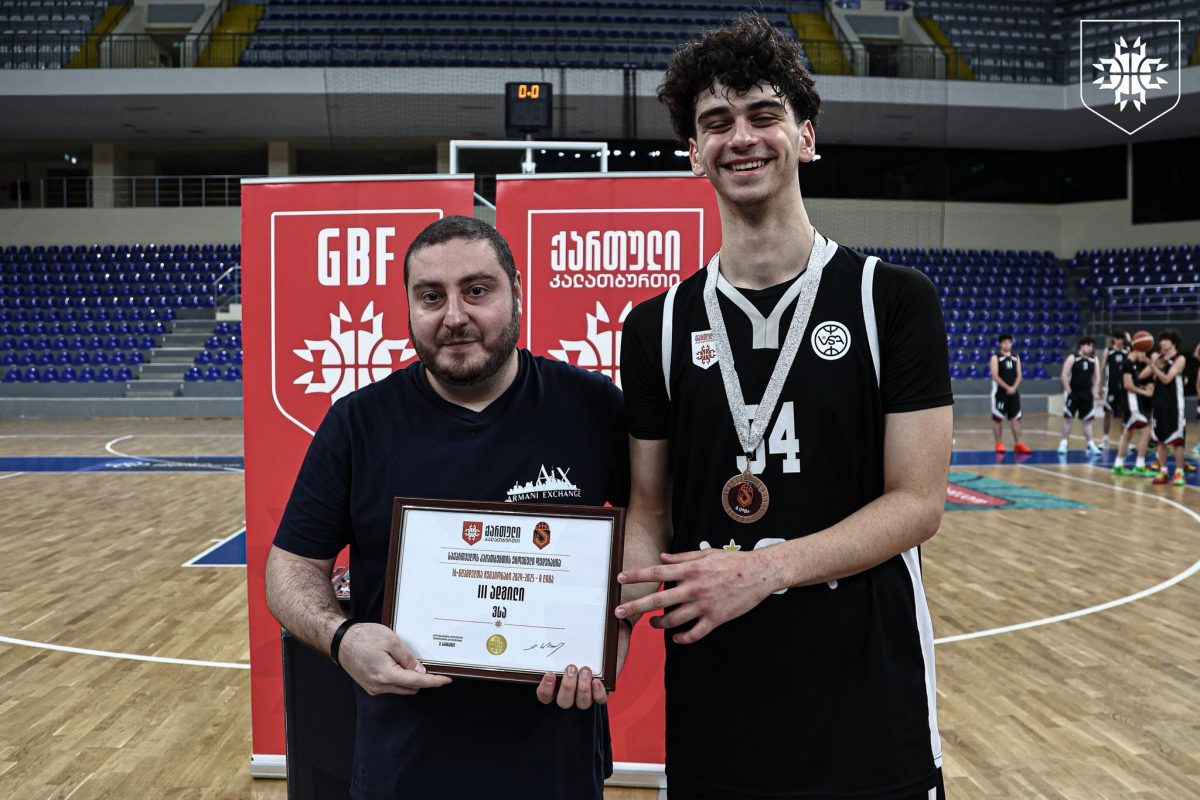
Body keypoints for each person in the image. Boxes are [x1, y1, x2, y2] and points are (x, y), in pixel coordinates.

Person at [614, 15, 952, 799]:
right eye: (716, 122)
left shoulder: (892, 301)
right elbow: (650, 509)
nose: (741, 137)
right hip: (716, 699)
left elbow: (917, 503)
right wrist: (612, 624)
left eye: (763, 114)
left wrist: (760, 571)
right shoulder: (655, 325)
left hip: (868, 699)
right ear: (693, 151)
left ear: (805, 136)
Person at [265, 216, 630, 798]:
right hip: (404, 764)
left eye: (476, 290)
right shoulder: (358, 423)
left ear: (517, 291)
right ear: (410, 306)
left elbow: (652, 527)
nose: (454, 316)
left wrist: (617, 626)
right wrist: (342, 638)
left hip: (555, 756)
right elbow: (290, 567)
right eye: (431, 296)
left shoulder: (593, 407)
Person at [1146, 328, 1187, 485]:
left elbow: (1167, 379)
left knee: (1177, 440)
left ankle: (1179, 473)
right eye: (1161, 340)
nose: (1161, 342)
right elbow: (1143, 375)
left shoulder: (1180, 359)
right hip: (1159, 403)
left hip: (1175, 405)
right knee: (1160, 439)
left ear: (1173, 342)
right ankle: (1163, 472)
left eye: (1165, 340)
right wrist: (1150, 361)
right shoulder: (1158, 358)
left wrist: (1153, 365)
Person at [1110, 346, 1154, 476]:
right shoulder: (1128, 364)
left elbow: (1132, 384)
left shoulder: (1132, 364)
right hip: (1132, 405)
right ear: (1137, 350)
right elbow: (1128, 385)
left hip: (1131, 404)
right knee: (1146, 432)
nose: (1144, 355)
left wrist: (1143, 387)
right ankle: (1140, 466)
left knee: (1127, 435)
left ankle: (1118, 464)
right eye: (1143, 352)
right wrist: (1145, 393)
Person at [1058, 336, 1102, 456]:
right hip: (1074, 393)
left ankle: (1090, 443)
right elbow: (1064, 375)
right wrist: (1069, 391)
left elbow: (1097, 377)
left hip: (1087, 394)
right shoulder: (1073, 358)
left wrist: (1095, 390)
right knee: (1068, 418)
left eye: (1092, 346)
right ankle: (1063, 443)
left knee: (1087, 420)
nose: (1090, 348)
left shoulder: (1094, 359)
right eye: (1088, 345)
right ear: (1081, 346)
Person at [990, 332, 1031, 454]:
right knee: (998, 418)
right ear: (1000, 344)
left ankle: (1019, 443)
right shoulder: (995, 357)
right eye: (1004, 342)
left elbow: (1019, 374)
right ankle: (999, 443)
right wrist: (1007, 387)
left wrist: (1014, 387)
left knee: (1016, 418)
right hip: (1000, 393)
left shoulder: (1015, 357)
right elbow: (995, 375)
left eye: (1009, 342)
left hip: (1014, 393)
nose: (1007, 344)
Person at [1097, 330, 1130, 452]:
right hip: (1111, 386)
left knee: (1125, 414)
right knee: (1108, 412)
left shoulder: (1127, 351)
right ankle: (1105, 438)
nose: (1119, 341)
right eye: (1117, 338)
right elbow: (1102, 369)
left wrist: (1129, 340)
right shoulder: (1108, 351)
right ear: (1113, 339)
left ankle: (1124, 439)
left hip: (1124, 387)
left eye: (1121, 338)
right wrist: (1100, 386)